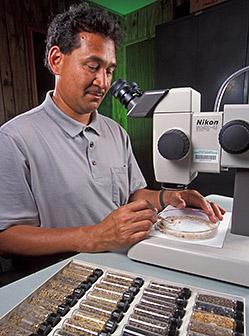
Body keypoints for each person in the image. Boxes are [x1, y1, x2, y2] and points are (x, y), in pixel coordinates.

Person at [0, 3, 224, 260]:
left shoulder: (116, 133)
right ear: (56, 60)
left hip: (124, 261)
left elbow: (132, 195)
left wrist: (171, 197)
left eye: (109, 70)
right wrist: (94, 236)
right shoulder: (14, 139)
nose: (103, 82)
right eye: (92, 66)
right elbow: (6, 237)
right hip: (59, 275)